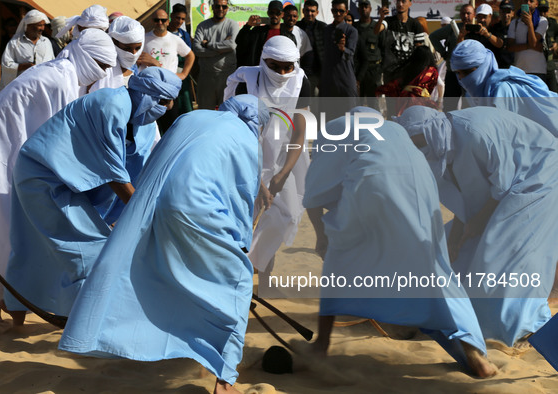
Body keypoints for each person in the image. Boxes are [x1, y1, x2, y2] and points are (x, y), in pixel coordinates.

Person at [58, 95, 267, 394]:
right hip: (199, 210)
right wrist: (241, 246)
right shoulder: (248, 142)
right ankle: (224, 381)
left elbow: (156, 162)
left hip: (155, 205)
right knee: (237, 283)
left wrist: (137, 215)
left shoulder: (189, 118)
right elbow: (241, 199)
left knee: (159, 269)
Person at [304, 107, 497, 378]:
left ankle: (321, 345)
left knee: (339, 260)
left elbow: (314, 190)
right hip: (420, 190)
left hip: (373, 182)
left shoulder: (338, 126)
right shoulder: (394, 130)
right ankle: (475, 355)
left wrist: (321, 237)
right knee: (432, 269)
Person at [3, 67, 181, 324]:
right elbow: (115, 174)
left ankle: (32, 318)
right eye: (163, 101)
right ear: (145, 95)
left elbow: (136, 169)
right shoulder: (111, 105)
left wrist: (131, 214)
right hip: (45, 176)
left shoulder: (142, 122)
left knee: (38, 250)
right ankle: (85, 322)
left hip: (71, 181)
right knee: (89, 250)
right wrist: (146, 216)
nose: (167, 107)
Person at [0, 29, 117, 324]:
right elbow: (60, 137)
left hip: (2, 151)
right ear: (85, 55)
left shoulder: (64, 72)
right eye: (99, 65)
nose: (100, 74)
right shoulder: (61, 78)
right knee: (1, 227)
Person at [395, 105, 558, 348]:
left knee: (502, 255)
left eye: (419, 143)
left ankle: (527, 327)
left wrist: (477, 223)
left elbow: (499, 187)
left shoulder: (475, 134)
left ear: (429, 132)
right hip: (505, 187)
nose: (418, 150)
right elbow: (467, 199)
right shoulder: (440, 147)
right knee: (456, 253)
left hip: (539, 174)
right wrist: (455, 239)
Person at [224, 35, 310, 288]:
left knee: (285, 215)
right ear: (263, 60)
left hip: (285, 158)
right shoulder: (245, 82)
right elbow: (238, 135)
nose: (282, 73)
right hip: (244, 158)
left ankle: (259, 277)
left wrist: (283, 173)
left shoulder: (300, 81)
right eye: (275, 66)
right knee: (243, 222)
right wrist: (259, 184)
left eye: (288, 67)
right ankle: (237, 282)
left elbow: (299, 129)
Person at [450, 39, 558, 135]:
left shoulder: (501, 90)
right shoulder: (473, 95)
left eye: (467, 72)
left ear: (483, 66)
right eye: (458, 73)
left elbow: (507, 135)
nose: (461, 78)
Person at [139, 8, 194, 133]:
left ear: (168, 22)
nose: (160, 23)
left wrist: (184, 74)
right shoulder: (144, 38)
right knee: (152, 127)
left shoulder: (174, 39)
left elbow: (190, 55)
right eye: (156, 20)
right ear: (152, 21)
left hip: (169, 89)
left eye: (163, 20)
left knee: (170, 126)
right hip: (150, 89)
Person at [193, 0, 239, 110]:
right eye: (218, 6)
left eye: (224, 6)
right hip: (206, 76)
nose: (221, 9)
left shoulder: (232, 24)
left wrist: (207, 44)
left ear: (227, 8)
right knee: (205, 113)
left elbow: (231, 45)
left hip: (226, 76)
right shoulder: (202, 26)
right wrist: (221, 49)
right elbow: (197, 50)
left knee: (228, 112)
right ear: (213, 7)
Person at [430, 3, 474, 110]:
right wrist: (445, 55)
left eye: (469, 13)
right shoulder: (452, 28)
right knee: (450, 107)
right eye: (463, 13)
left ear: (474, 15)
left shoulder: (478, 30)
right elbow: (433, 37)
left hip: (470, 75)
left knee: (468, 106)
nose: (466, 16)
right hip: (453, 73)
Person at [376, 45, 439, 115]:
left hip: (404, 101)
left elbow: (396, 84)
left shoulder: (409, 68)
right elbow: (432, 88)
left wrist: (380, 90)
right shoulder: (432, 71)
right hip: (422, 102)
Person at [0, 9, 54, 90]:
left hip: (43, 87)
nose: (42, 28)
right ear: (29, 25)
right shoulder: (15, 43)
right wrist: (23, 66)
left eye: (43, 25)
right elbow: (6, 65)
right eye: (39, 25)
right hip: (22, 88)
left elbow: (52, 62)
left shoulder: (46, 42)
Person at [374, 0, 424, 84]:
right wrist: (381, 17)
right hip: (391, 71)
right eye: (398, 1)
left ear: (410, 4)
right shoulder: (388, 21)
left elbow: (419, 49)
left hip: (408, 71)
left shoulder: (415, 24)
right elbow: (376, 31)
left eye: (403, 1)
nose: (400, 4)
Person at [236, 0, 296, 67]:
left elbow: (292, 57)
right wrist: (248, 25)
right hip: (258, 70)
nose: (274, 15)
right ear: (268, 13)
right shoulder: (258, 31)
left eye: (278, 13)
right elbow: (240, 42)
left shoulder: (289, 36)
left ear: (282, 14)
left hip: (278, 72)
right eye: (272, 12)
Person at [91, 16, 144, 91]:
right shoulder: (100, 69)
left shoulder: (135, 71)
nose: (133, 53)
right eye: (127, 48)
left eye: (137, 48)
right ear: (114, 42)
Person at [321, 0, 358, 97]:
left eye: (341, 11)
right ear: (331, 11)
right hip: (328, 77)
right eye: (335, 10)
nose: (338, 13)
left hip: (345, 76)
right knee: (327, 110)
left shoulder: (351, 31)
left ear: (346, 12)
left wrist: (342, 48)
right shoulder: (326, 30)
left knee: (349, 110)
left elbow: (351, 53)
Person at [507, 0, 548, 83]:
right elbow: (510, 47)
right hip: (520, 71)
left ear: (536, 4)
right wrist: (531, 46)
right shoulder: (514, 23)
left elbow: (533, 43)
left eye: (531, 1)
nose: (528, 3)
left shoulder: (542, 21)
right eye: (526, 0)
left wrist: (530, 24)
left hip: (538, 71)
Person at [355, 0, 385, 100]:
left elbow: (384, 47)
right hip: (359, 71)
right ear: (358, 9)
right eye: (361, 6)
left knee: (374, 102)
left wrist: (381, 69)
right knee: (358, 101)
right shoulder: (354, 28)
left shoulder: (378, 27)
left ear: (370, 9)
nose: (364, 9)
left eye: (366, 6)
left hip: (374, 70)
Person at [296, 0, 326, 96]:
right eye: (307, 10)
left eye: (312, 11)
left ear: (317, 12)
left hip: (319, 70)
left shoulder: (323, 27)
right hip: (300, 69)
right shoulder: (296, 27)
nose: (309, 13)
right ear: (303, 11)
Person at [167, 3, 193, 114]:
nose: (180, 21)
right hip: (168, 75)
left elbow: (189, 56)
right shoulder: (164, 33)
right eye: (177, 18)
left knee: (185, 105)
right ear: (171, 16)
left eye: (183, 19)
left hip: (182, 75)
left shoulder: (185, 35)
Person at [282, 4, 313, 78]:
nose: (291, 18)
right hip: (280, 72)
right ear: (283, 16)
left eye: (294, 16)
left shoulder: (301, 33)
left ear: (297, 17)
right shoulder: (277, 31)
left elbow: (306, 54)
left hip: (295, 73)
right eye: (289, 16)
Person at [489, 0, 515, 69]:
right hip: (497, 68)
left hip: (514, 68)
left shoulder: (517, 28)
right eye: (503, 11)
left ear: (513, 13)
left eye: (508, 12)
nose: (506, 15)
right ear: (500, 12)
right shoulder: (493, 28)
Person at [539, 0, 558, 91]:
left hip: (549, 64)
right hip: (538, 65)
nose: (543, 13)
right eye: (540, 10)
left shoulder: (552, 23)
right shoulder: (534, 24)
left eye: (545, 11)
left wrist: (556, 43)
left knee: (554, 91)